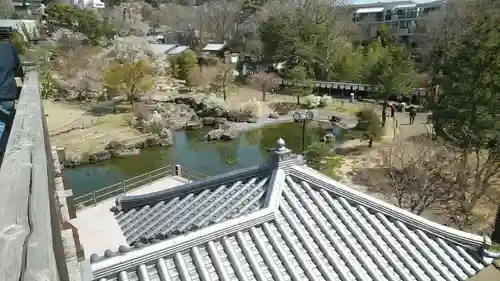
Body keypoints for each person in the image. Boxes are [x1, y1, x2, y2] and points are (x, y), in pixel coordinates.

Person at [0, 40, 23, 154]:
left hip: (6, 94)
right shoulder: (9, 48)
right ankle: (5, 153)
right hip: (7, 93)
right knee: (6, 125)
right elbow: (18, 69)